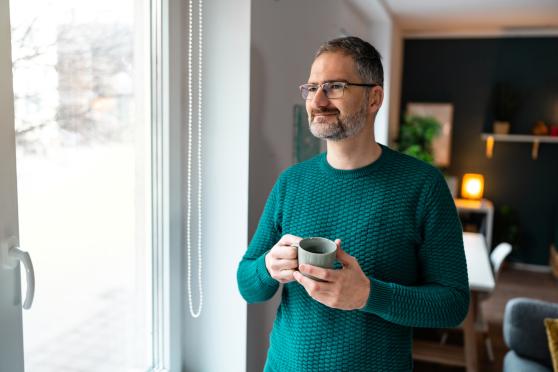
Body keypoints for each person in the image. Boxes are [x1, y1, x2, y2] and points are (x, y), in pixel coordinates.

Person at [237, 36, 469, 372]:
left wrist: (368, 295)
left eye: (335, 87)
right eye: (312, 87)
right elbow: (247, 285)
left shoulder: (422, 186)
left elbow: (452, 304)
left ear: (374, 98)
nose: (318, 100)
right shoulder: (291, 182)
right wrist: (268, 267)